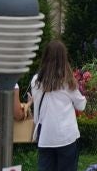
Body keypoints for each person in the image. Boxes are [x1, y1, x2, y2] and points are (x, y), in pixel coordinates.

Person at [29, 40, 84, 171]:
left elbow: (37, 112)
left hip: (45, 136)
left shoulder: (36, 80)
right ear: (63, 58)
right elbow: (81, 106)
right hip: (67, 136)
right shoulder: (67, 81)